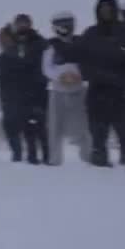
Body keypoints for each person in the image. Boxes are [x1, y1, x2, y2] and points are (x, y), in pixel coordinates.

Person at [78, 0, 125, 167]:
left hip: (121, 93)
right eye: (102, 9)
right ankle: (99, 169)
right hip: (97, 92)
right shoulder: (90, 34)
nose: (106, 12)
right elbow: (83, 63)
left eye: (109, 9)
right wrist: (98, 75)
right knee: (98, 135)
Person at [0, 14, 50, 164]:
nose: (22, 26)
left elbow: (43, 65)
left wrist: (40, 83)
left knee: (40, 125)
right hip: (16, 94)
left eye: (25, 23)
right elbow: (3, 77)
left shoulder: (38, 42)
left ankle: (47, 155)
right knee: (22, 126)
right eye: (19, 23)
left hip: (37, 91)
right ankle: (25, 155)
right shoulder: (7, 53)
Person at [41, 11, 90, 165]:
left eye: (68, 24)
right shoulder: (51, 47)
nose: (65, 28)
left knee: (84, 126)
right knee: (55, 127)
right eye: (61, 25)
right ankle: (54, 159)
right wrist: (60, 76)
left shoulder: (80, 43)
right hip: (57, 91)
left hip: (79, 90)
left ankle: (88, 156)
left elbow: (87, 62)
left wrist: (79, 75)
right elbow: (47, 68)